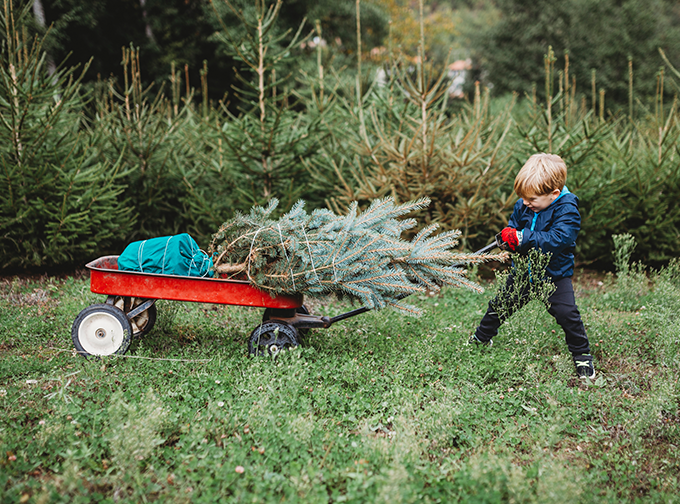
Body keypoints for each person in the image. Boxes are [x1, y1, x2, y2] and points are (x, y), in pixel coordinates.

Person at [469, 153, 595, 379]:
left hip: (554, 276)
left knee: (568, 315)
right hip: (523, 273)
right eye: (524, 198)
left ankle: (582, 356)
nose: (526, 203)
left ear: (554, 194)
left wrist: (521, 238)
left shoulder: (567, 209)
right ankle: (481, 338)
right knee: (499, 306)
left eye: (532, 199)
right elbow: (514, 227)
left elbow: (558, 239)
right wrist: (509, 240)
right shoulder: (524, 205)